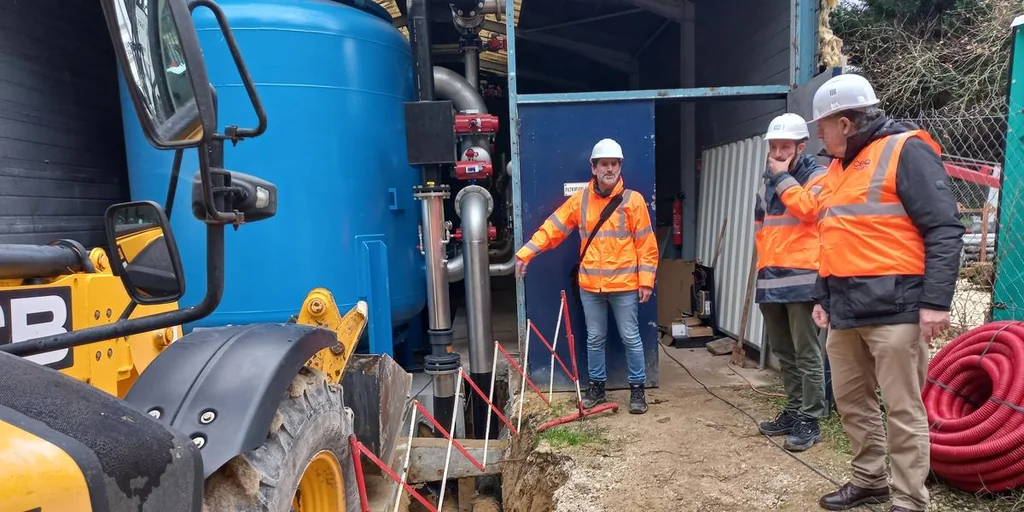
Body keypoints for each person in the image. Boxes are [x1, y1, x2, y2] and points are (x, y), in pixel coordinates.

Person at [770, 73, 964, 512]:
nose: (818, 131)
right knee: (852, 403)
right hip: (846, 310)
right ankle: (869, 480)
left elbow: (945, 230)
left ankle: (910, 499)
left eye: (823, 122)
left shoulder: (905, 150)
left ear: (847, 121)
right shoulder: (838, 167)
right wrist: (823, 297)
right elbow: (833, 237)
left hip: (897, 309)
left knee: (902, 409)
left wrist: (935, 302)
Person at [514, 138, 659, 415]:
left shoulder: (634, 201)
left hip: (625, 286)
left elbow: (646, 245)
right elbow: (553, 228)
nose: (610, 169)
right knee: (595, 338)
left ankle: (638, 390)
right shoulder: (579, 201)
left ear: (620, 167)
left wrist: (646, 281)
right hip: (591, 286)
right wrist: (526, 253)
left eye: (614, 164)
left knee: (631, 337)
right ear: (593, 168)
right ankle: (597, 387)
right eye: (604, 164)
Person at [753, 113, 829, 452]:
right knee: (783, 350)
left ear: (801, 146)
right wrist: (761, 269)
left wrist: (783, 177)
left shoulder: (817, 177)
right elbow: (762, 228)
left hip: (802, 279)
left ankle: (811, 418)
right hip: (771, 277)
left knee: (806, 351)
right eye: (774, 146)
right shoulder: (767, 180)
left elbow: (809, 210)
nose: (779, 152)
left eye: (785, 146)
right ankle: (795, 409)